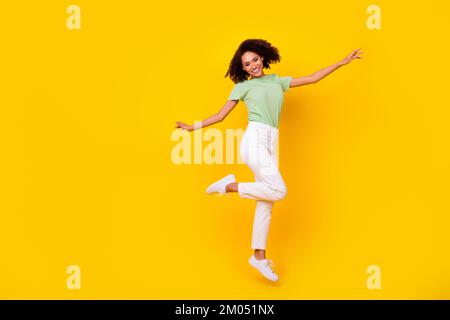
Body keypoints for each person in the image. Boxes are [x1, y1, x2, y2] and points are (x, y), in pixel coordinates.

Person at [175, 39, 363, 281]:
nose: (252, 65)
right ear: (242, 69)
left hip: (272, 141)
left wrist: (342, 62)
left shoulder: (277, 82)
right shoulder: (242, 87)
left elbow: (313, 78)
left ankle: (259, 257)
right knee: (278, 190)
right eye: (247, 64)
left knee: (266, 202)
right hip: (255, 137)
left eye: (255, 59)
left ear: (263, 58)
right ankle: (228, 186)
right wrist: (192, 127)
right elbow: (220, 116)